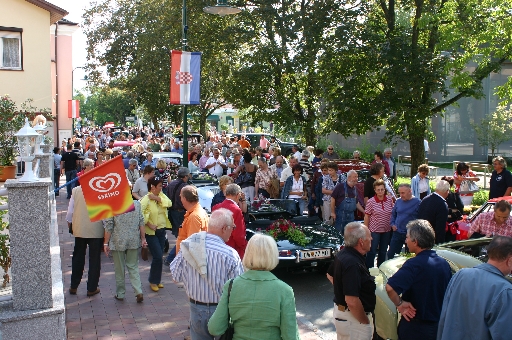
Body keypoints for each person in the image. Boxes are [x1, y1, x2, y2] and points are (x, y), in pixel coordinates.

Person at [208, 234, 300, 340]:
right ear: (273, 255)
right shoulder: (284, 290)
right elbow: (291, 336)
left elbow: (214, 328)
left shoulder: (231, 285)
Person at [170, 209, 244, 340]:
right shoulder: (230, 254)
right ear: (224, 228)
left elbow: (175, 276)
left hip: (196, 308)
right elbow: (238, 289)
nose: (233, 230)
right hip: (221, 310)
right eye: (232, 227)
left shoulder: (189, 246)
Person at [385, 219, 451, 340]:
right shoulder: (444, 263)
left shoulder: (413, 264)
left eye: (407, 237)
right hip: (438, 326)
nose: (406, 241)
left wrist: (399, 304)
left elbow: (390, 287)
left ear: (415, 241)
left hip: (415, 327)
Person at [437, 236, 512, 340]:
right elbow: (504, 334)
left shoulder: (460, 275)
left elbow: (444, 318)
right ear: (510, 260)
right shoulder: (505, 290)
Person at [326, 222, 375, 340]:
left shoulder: (344, 253)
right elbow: (352, 301)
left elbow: (329, 274)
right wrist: (364, 321)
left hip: (345, 316)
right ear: (361, 241)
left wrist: (341, 289)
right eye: (369, 237)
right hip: (353, 320)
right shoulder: (352, 263)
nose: (372, 238)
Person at [103, 200, 147, 302]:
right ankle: (138, 291)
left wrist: (106, 243)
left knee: (119, 268)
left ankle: (120, 293)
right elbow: (141, 221)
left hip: (118, 241)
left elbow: (109, 225)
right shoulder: (136, 204)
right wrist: (143, 238)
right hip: (133, 239)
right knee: (133, 266)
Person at [66, 184, 104, 296]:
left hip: (80, 228)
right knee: (94, 259)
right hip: (96, 229)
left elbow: (70, 212)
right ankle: (92, 288)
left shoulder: (76, 190)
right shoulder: (100, 190)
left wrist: (70, 224)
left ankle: (74, 286)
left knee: (78, 257)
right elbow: (104, 212)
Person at [140, 177, 172, 292]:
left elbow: (169, 203)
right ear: (152, 187)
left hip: (161, 230)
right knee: (158, 256)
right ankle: (153, 281)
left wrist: (157, 198)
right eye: (159, 186)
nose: (161, 188)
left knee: (159, 257)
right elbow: (140, 215)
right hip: (151, 232)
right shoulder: (145, 199)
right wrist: (148, 224)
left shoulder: (161, 195)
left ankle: (157, 280)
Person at [212, 184, 248, 258]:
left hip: (216, 247)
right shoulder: (236, 210)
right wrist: (245, 247)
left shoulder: (216, 207)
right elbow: (239, 235)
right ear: (238, 195)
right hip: (232, 250)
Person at [364, 179, 394, 269]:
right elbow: (367, 216)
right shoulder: (371, 201)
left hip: (386, 230)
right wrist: (366, 231)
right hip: (374, 230)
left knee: (383, 251)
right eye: (378, 190)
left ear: (385, 189)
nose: (380, 191)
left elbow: (393, 213)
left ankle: (381, 269)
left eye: (382, 189)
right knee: (372, 251)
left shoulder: (389, 200)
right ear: (375, 190)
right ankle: (369, 270)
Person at [387, 184, 421, 259]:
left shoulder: (418, 202)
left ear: (410, 191)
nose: (401, 195)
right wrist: (392, 224)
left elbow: (420, 219)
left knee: (409, 257)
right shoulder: (398, 201)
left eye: (403, 193)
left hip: (411, 234)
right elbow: (393, 214)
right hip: (397, 232)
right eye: (400, 193)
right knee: (391, 255)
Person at [176, 185, 209, 255]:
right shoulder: (198, 212)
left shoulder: (194, 217)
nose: (180, 199)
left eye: (180, 196)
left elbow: (193, 245)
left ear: (184, 198)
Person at [441, 176, 464, 242]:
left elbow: (460, 211)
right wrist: (451, 211)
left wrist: (450, 215)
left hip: (451, 228)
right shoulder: (437, 196)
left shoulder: (455, 196)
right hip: (440, 226)